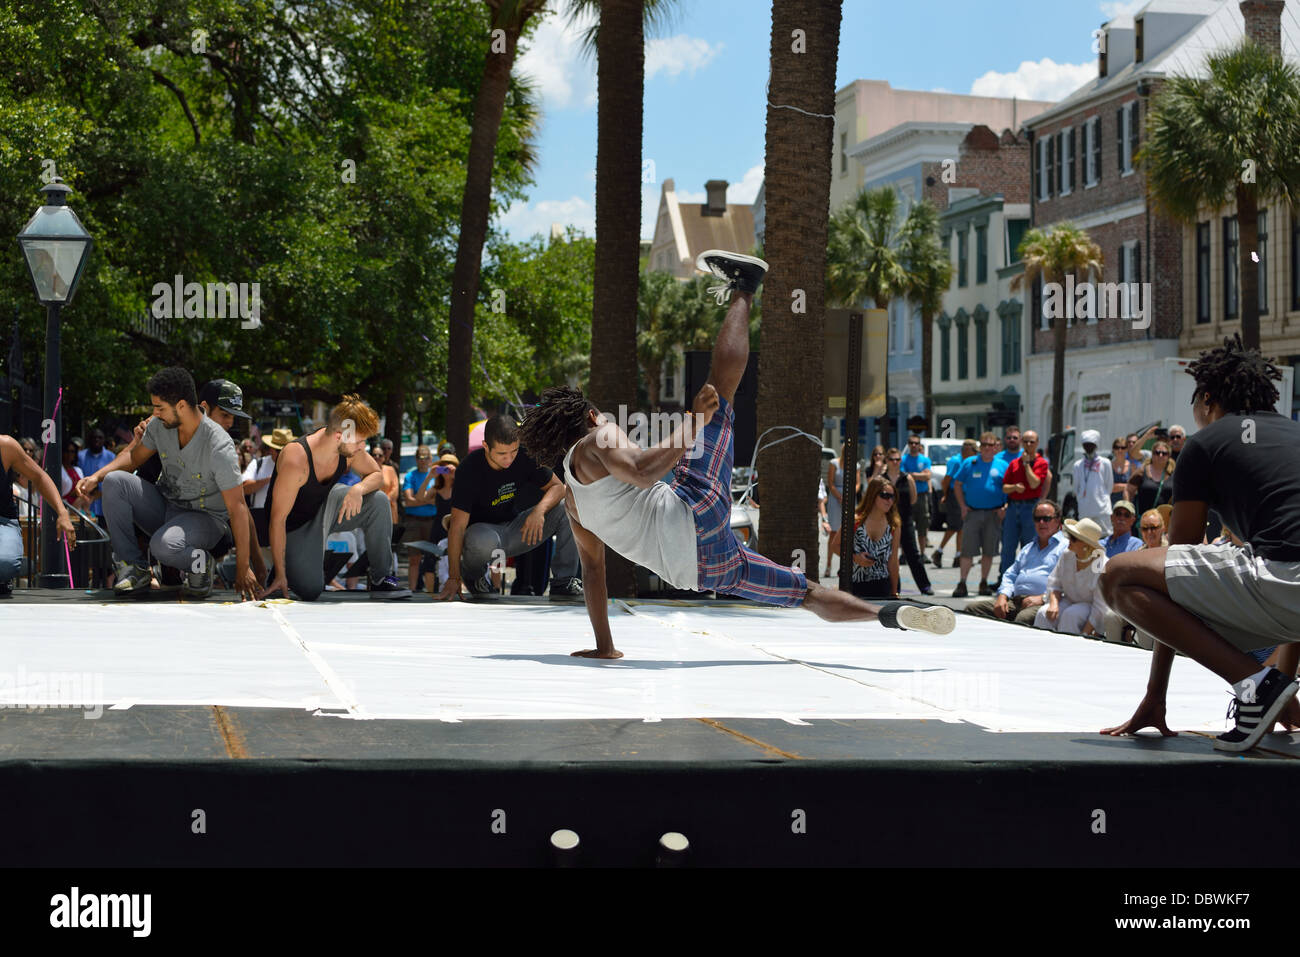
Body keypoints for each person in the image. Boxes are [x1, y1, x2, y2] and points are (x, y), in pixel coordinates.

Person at [515, 249, 955, 658]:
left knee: (804, 592)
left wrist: (605, 646)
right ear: (591, 416)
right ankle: (746, 284)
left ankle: (888, 614)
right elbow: (643, 472)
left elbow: (593, 573)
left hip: (701, 572)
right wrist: (693, 421)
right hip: (694, 513)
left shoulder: (573, 503)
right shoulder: (600, 437)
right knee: (717, 396)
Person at [1101, 335, 1300, 752]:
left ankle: (1254, 686)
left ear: (1207, 399)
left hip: (1284, 585)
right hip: (1288, 591)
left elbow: (1173, 566)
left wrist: (1156, 694)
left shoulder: (1206, 444)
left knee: (1118, 576)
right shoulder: (1294, 435)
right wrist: (1286, 694)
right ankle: (1267, 692)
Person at [74, 367, 259, 599]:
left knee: (163, 546)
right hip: (168, 508)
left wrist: (244, 566)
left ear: (181, 405)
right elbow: (133, 458)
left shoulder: (219, 445)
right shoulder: (159, 426)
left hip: (206, 520)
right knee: (114, 481)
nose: (155, 413)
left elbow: (238, 508)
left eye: (159, 407)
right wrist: (96, 476)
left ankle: (202, 565)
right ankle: (135, 568)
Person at [257, 396, 410, 601]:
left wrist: (358, 489)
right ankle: (279, 573)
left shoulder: (349, 448)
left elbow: (377, 475)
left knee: (378, 501)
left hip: (326, 507)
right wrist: (282, 575)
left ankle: (381, 579)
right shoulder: (296, 459)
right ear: (339, 435)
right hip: (295, 527)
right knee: (311, 589)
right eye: (359, 441)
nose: (362, 447)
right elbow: (277, 521)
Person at [435, 414, 583, 599]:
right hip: (482, 536)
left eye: (513, 451)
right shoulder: (469, 470)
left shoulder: (524, 455)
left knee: (568, 505)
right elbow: (456, 528)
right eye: (502, 454)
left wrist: (539, 510)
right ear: (486, 446)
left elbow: (558, 487)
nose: (509, 459)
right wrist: (453, 577)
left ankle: (564, 581)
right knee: (481, 539)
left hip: (515, 530)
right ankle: (474, 577)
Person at [965, 499, 1066, 626]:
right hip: (1015, 600)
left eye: (1046, 519)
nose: (1041, 523)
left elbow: (1067, 585)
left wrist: (1042, 598)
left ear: (1057, 521)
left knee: (1022, 620)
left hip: (1043, 602)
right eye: (1037, 518)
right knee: (972, 610)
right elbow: (1011, 574)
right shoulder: (1028, 548)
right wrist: (1002, 596)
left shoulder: (1065, 548)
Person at [1, 435, 77, 594]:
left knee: (5, 562)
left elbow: (39, 476)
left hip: (4, 521)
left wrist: (62, 512)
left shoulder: (5, 446)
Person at [951, 432, 1007, 597]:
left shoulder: (1002, 465)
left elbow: (1009, 488)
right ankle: (962, 582)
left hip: (993, 513)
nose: (987, 448)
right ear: (979, 447)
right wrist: (962, 506)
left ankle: (983, 581)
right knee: (967, 550)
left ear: (995, 447)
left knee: (989, 551)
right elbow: (957, 484)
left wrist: (1005, 506)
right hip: (973, 512)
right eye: (984, 445)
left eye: (991, 445)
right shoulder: (970, 463)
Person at [1034, 518, 1108, 636]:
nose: (1068, 540)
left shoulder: (1101, 565)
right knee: (1043, 613)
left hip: (1089, 606)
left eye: (1074, 538)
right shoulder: (1067, 555)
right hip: (1068, 600)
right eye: (1069, 535)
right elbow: (1054, 583)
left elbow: (1100, 607)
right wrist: (1053, 604)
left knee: (1071, 615)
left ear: (1087, 545)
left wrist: (1085, 633)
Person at [1000, 429, 1050, 578]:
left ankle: (1026, 580)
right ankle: (1006, 581)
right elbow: (1004, 487)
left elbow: (1035, 484)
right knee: (1008, 547)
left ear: (1037, 443)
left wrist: (1027, 465)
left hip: (1030, 507)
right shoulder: (1014, 463)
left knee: (1029, 546)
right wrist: (1015, 487)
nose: (1028, 444)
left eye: (1032, 441)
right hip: (1013, 506)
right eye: (1026, 441)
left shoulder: (1041, 463)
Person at [882, 448, 933, 595]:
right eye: (892, 459)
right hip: (886, 521)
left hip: (905, 519)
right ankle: (893, 587)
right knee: (888, 554)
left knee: (913, 553)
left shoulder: (907, 478)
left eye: (898, 460)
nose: (895, 462)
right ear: (887, 461)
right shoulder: (882, 479)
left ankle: (924, 585)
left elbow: (913, 498)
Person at [413, 452, 458, 594]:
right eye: (442, 467)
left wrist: (457, 476)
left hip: (454, 528)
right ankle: (431, 594)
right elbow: (420, 498)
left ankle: (455, 590)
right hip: (437, 528)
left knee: (454, 560)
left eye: (448, 467)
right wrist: (429, 477)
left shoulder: (459, 487)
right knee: (429, 561)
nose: (445, 470)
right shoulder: (437, 488)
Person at [850, 476, 900, 599]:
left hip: (882, 585)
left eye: (892, 497)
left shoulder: (894, 524)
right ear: (873, 495)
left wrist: (894, 592)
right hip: (855, 585)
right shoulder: (856, 521)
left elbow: (893, 561)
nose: (889, 500)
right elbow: (836, 546)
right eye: (885, 496)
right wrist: (855, 558)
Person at [933, 438, 977, 568]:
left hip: (966, 494)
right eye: (973, 451)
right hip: (954, 494)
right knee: (954, 526)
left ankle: (959, 555)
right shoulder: (956, 461)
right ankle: (939, 551)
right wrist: (945, 495)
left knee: (961, 527)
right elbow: (946, 480)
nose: (975, 453)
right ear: (966, 450)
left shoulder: (971, 461)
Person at [401, 446, 439, 591]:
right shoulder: (410, 476)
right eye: (420, 458)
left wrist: (420, 499)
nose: (423, 461)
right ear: (416, 460)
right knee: (414, 559)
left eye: (426, 457)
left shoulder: (435, 475)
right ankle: (412, 589)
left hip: (431, 521)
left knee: (431, 558)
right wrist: (427, 500)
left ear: (431, 459)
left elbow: (437, 500)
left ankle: (431, 590)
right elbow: (409, 501)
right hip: (414, 521)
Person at [823, 442, 861, 578]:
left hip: (849, 497)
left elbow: (857, 484)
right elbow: (831, 483)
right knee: (834, 532)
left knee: (849, 532)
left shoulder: (856, 466)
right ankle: (828, 565)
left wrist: (850, 495)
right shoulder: (834, 463)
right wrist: (840, 496)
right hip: (836, 498)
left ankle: (845, 566)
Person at [1071, 429, 1113, 536]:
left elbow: (1109, 485)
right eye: (1086, 445)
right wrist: (1081, 498)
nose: (1088, 447)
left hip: (1102, 509)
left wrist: (1102, 497)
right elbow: (1076, 487)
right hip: (1085, 509)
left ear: (1096, 445)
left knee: (1104, 535)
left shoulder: (1105, 462)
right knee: (1085, 537)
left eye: (1091, 445)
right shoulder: (1078, 465)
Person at [900, 434, 933, 556]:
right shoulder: (903, 459)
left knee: (922, 526)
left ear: (919, 445)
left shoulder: (925, 460)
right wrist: (920, 475)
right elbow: (902, 475)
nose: (913, 445)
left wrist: (911, 475)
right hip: (906, 496)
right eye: (911, 443)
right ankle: (904, 554)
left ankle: (922, 553)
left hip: (921, 496)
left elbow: (928, 476)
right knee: (905, 525)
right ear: (908, 445)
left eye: (916, 443)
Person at [1126, 438, 1175, 515]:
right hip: (1144, 519)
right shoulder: (1142, 471)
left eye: (1164, 453)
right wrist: (1129, 510)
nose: (1160, 455)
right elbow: (1128, 490)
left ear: (1169, 456)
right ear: (1152, 454)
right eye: (1157, 453)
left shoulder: (1173, 473)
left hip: (1166, 520)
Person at [76, 429, 115, 520]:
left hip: (105, 507)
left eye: (100, 438)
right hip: (84, 507)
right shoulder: (80, 456)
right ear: (89, 439)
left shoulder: (111, 457)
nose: (97, 440)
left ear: (104, 440)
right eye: (94, 437)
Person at [1109, 436, 1134, 505]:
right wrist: (1126, 486)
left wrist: (1117, 486)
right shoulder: (1108, 466)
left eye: (1123, 448)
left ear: (1126, 449)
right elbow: (1107, 488)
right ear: (1113, 449)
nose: (1120, 450)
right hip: (1111, 504)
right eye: (1117, 448)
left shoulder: (1132, 466)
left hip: (1128, 504)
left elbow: (1134, 488)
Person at [60, 440, 83, 507]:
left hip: (78, 508)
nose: (69, 454)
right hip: (65, 506)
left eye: (72, 451)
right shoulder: (58, 470)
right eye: (67, 451)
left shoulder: (78, 470)